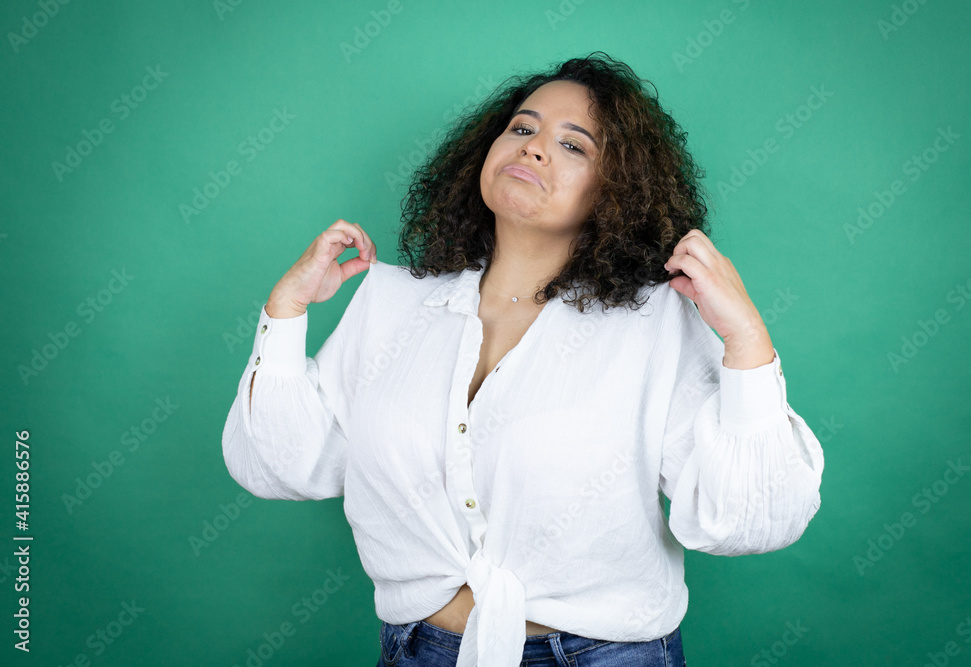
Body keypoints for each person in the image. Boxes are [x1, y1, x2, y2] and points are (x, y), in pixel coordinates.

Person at [221, 51, 824, 667]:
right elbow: (283, 467)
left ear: (617, 191)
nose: (535, 148)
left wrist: (747, 339)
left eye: (575, 146)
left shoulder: (653, 325)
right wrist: (286, 310)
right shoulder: (392, 301)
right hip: (417, 651)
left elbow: (748, 520)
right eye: (523, 127)